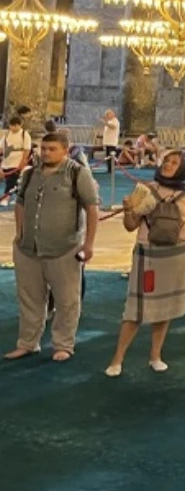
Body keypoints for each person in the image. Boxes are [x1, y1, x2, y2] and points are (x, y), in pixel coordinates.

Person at [105, 150, 185, 377]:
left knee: (164, 309)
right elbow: (130, 225)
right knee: (135, 310)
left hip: (175, 256)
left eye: (175, 162)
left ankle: (155, 356)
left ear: (183, 168)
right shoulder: (146, 190)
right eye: (166, 161)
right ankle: (117, 359)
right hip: (148, 254)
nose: (168, 164)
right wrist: (129, 209)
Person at [5, 132, 99, 362]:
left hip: (64, 249)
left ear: (65, 150)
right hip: (28, 249)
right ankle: (28, 343)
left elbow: (92, 209)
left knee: (67, 300)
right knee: (29, 299)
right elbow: (20, 204)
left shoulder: (77, 173)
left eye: (52, 149)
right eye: (43, 148)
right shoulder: (30, 174)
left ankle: (63, 345)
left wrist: (88, 244)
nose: (45, 152)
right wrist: (20, 234)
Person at [2, 114, 32, 202]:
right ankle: (15, 196)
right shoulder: (7, 134)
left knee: (12, 180)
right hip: (6, 161)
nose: (12, 127)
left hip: (17, 161)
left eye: (14, 125)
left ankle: (6, 196)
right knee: (10, 181)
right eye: (11, 125)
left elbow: (27, 149)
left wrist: (23, 162)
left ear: (19, 125)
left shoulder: (25, 135)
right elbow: (1, 147)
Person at [99, 109, 120, 173]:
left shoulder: (115, 121)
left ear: (112, 114)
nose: (106, 116)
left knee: (111, 157)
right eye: (106, 115)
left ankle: (111, 169)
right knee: (108, 156)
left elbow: (113, 126)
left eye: (107, 115)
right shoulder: (110, 121)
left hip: (112, 142)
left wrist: (105, 122)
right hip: (108, 142)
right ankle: (109, 169)